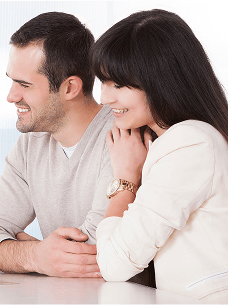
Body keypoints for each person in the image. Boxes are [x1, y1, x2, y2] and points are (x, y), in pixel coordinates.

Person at [0, 12, 114, 278]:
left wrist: (23, 253)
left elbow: (96, 253)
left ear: (70, 88)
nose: (11, 96)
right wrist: (35, 256)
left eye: (24, 84)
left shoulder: (120, 137)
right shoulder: (30, 146)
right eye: (11, 80)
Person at [93, 9, 228, 301]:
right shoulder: (162, 142)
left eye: (117, 85)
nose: (104, 98)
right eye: (102, 82)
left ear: (160, 80)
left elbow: (113, 263)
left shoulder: (190, 143)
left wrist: (125, 180)